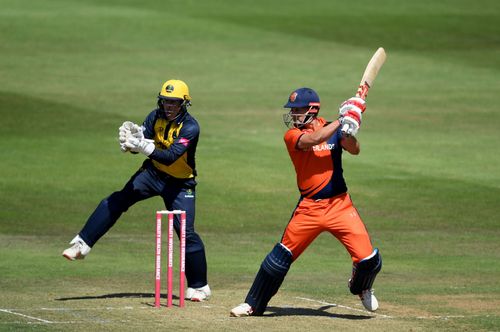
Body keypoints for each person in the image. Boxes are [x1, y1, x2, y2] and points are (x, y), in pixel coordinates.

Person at [230, 87, 382, 316]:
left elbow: (355, 150)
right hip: (309, 209)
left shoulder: (334, 128)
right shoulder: (292, 135)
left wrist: (349, 130)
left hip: (340, 206)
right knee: (278, 260)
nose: (293, 115)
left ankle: (360, 287)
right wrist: (342, 119)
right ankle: (252, 304)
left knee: (369, 260)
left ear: (312, 109)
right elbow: (313, 139)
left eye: (297, 110)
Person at [62, 79, 211, 302]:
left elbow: (170, 157)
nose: (169, 106)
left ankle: (200, 286)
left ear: (184, 104)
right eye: (165, 101)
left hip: (180, 184)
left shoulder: (191, 127)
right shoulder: (154, 116)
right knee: (118, 200)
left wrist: (142, 146)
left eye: (174, 102)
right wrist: (131, 144)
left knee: (186, 232)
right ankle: (82, 244)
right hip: (152, 174)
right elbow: (143, 144)